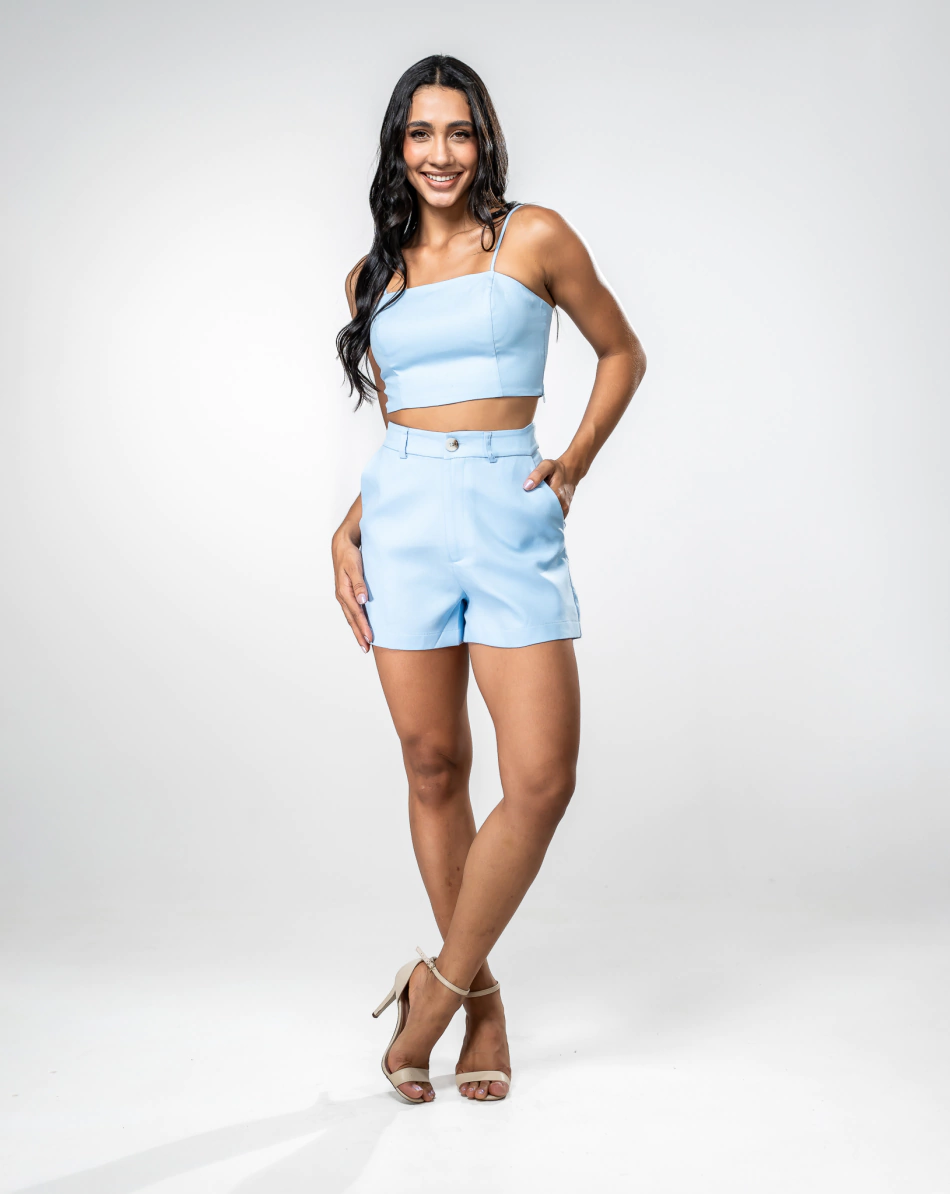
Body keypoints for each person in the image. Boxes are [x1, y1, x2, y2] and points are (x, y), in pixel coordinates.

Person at [332, 54, 646, 1103]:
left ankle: (432, 990)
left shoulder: (534, 237)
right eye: (420, 133)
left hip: (511, 513)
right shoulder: (371, 278)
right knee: (433, 766)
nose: (441, 154)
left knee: (542, 781)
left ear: (485, 140)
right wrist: (350, 525)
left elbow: (622, 352)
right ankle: (484, 1004)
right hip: (405, 521)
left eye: (458, 131)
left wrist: (574, 464)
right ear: (397, 146)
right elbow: (404, 428)